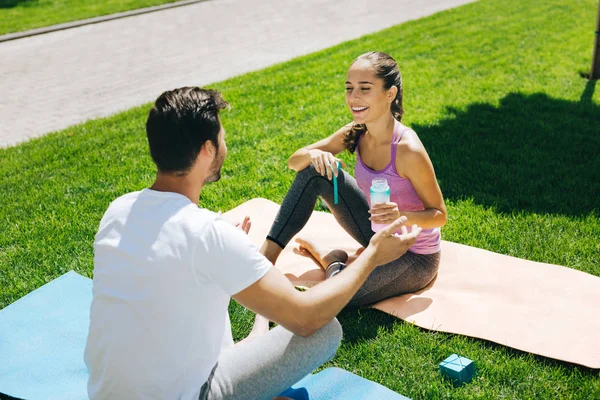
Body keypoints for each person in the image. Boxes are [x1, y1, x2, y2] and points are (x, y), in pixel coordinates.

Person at [84, 86, 422, 400]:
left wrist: (235, 264)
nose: (225, 142)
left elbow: (166, 273)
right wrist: (374, 254)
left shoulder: (119, 211)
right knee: (325, 330)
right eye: (222, 135)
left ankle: (254, 336)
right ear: (207, 149)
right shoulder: (208, 234)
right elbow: (307, 318)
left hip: (103, 393)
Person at [259, 51, 447, 310]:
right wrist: (313, 154)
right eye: (349, 89)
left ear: (389, 94)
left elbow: (439, 215)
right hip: (375, 233)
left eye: (364, 89)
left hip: (413, 257)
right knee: (312, 168)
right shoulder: (356, 132)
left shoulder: (407, 149)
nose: (353, 98)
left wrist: (400, 215)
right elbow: (294, 162)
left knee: (328, 302)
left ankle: (332, 262)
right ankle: (264, 261)